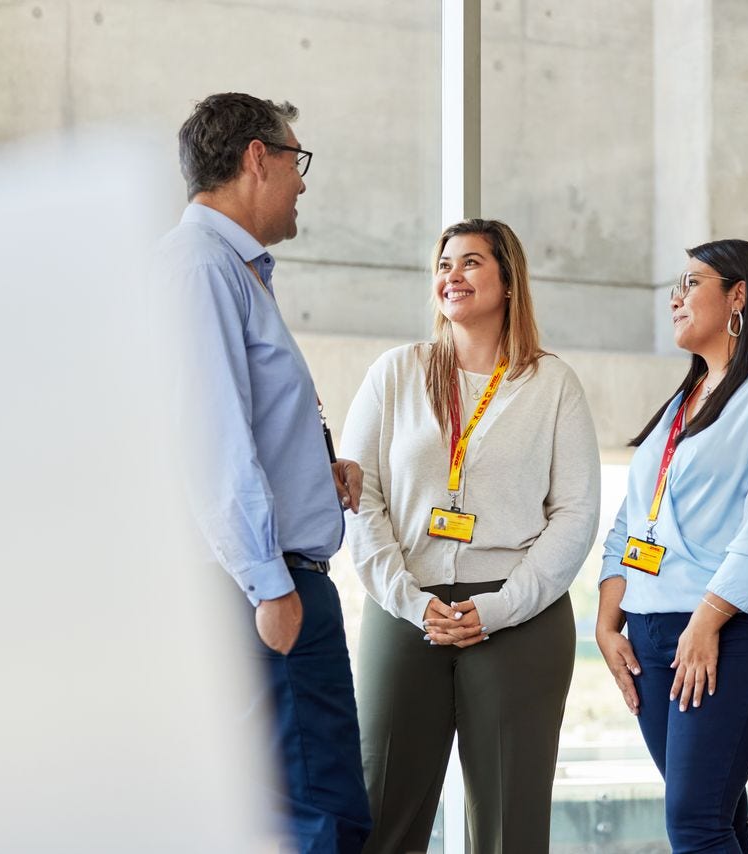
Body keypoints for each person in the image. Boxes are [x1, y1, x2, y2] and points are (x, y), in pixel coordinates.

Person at [340, 219, 601, 854]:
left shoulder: (552, 384)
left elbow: (576, 514)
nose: (452, 275)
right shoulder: (395, 373)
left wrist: (499, 607)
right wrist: (406, 598)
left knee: (511, 828)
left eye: (471, 263)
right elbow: (358, 497)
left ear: (509, 282)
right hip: (406, 608)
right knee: (381, 814)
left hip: (520, 615)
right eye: (444, 264)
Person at [156, 92, 371, 853]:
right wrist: (270, 585)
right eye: (295, 161)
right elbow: (209, 440)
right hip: (265, 584)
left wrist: (320, 472)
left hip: (268, 575)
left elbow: (246, 425)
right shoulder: (202, 269)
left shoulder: (228, 271)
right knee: (319, 815)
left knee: (307, 811)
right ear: (257, 158)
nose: (302, 181)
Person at [595, 239, 748, 854]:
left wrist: (705, 623)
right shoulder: (683, 402)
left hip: (730, 633)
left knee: (695, 824)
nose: (675, 297)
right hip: (649, 634)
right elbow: (629, 522)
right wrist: (606, 622)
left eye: (691, 283)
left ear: (738, 296)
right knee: (720, 819)